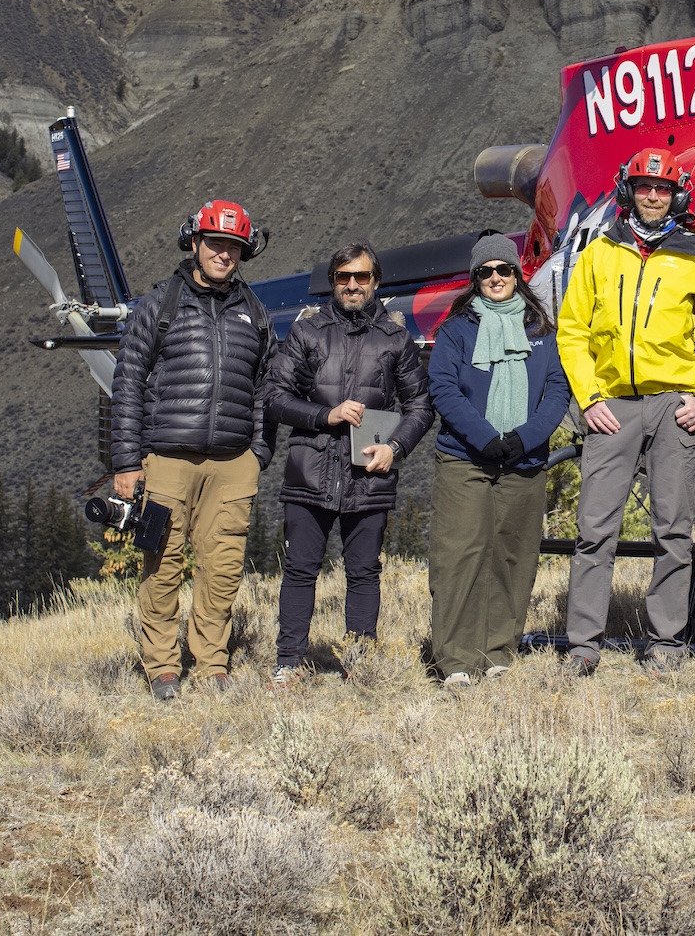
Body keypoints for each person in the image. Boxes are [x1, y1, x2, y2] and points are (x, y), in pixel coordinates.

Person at [555, 147, 695, 675]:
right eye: (645, 187)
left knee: (673, 529)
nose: (653, 196)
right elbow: (572, 331)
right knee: (594, 529)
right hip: (612, 406)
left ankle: (667, 643)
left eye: (663, 188)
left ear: (677, 196)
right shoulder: (600, 253)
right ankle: (584, 644)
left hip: (674, 405)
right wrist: (590, 398)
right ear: (628, 191)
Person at [109, 200, 274, 700]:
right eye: (216, 243)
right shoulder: (159, 305)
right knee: (161, 567)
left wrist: (258, 453)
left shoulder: (254, 312)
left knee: (222, 571)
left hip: (233, 465)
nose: (225, 254)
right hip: (167, 461)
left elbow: (267, 387)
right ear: (195, 243)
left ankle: (212, 665)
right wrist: (126, 461)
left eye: (234, 247)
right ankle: (162, 667)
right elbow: (128, 381)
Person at [263, 243, 432, 684]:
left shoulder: (396, 339)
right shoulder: (307, 332)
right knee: (300, 569)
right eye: (343, 276)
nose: (352, 284)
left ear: (375, 281)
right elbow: (274, 397)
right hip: (311, 468)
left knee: (364, 572)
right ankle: (288, 663)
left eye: (361, 276)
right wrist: (326, 415)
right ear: (332, 282)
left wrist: (395, 448)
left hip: (369, 472)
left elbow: (420, 406)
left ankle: (359, 665)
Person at [424, 235, 572, 688]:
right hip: (466, 458)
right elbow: (443, 388)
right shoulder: (456, 331)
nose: (495, 278)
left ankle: (498, 651)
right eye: (485, 271)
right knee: (459, 553)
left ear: (516, 275)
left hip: (524, 459)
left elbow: (557, 391)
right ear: (475, 278)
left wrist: (526, 438)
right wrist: (485, 437)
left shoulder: (542, 331)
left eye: (503, 270)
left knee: (513, 555)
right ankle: (456, 659)